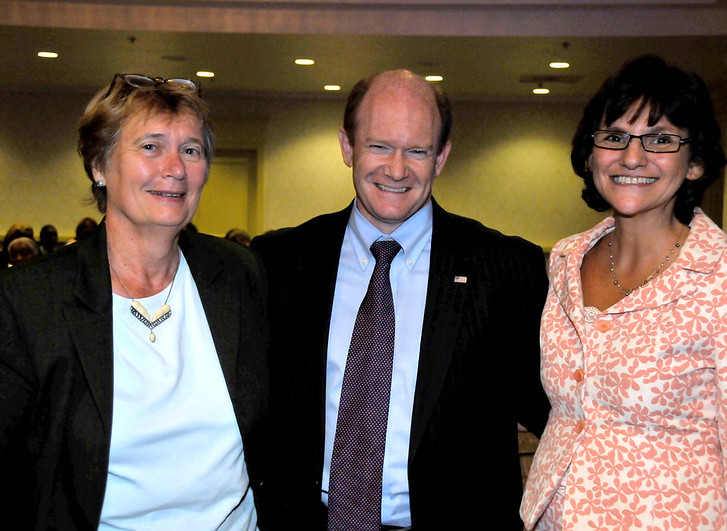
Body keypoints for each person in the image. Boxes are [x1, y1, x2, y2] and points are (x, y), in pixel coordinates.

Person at [250, 69, 549, 530]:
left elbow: (558, 413)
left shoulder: (506, 270)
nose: (396, 169)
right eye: (379, 146)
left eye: (417, 150)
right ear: (347, 147)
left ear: (442, 157)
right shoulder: (279, 263)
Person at [520, 55, 727, 529]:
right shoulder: (565, 260)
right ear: (591, 155)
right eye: (614, 136)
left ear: (696, 162)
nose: (632, 157)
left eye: (662, 139)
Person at [0, 74, 269, 529]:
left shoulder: (239, 274)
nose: (176, 167)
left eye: (191, 150)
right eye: (150, 147)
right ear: (98, 166)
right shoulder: (29, 302)